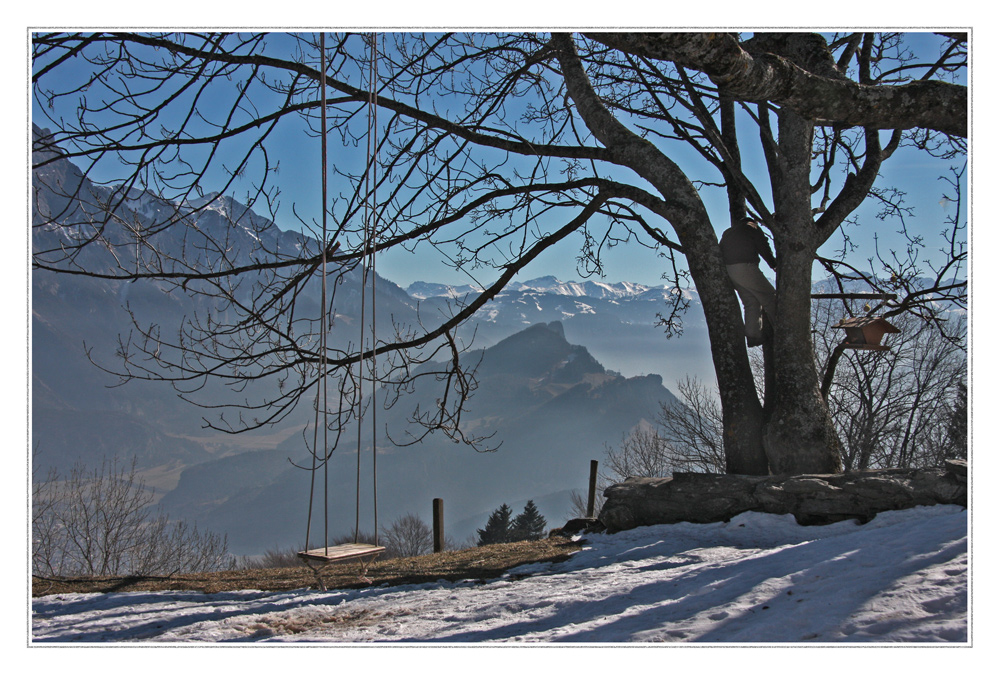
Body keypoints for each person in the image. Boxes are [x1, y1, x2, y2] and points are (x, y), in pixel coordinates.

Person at [720, 216, 777, 347]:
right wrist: (773, 264)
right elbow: (763, 245)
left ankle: (753, 336)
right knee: (770, 298)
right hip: (745, 267)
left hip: (730, 271)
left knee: (751, 302)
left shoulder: (728, 232)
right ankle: (783, 330)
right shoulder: (752, 227)